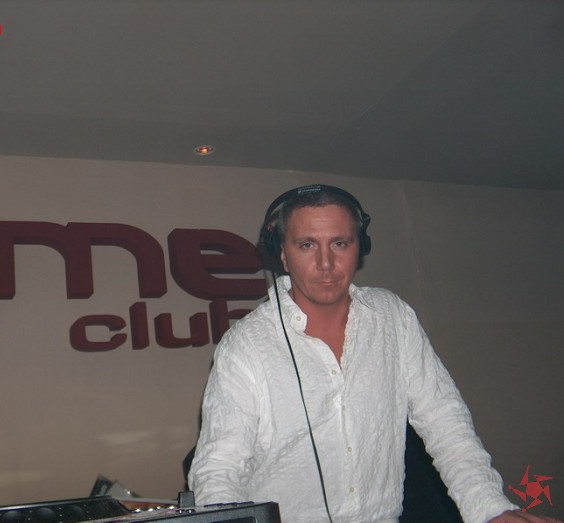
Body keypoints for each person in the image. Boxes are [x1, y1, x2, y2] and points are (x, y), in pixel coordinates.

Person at [187, 185, 560, 523]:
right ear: (282, 254)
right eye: (307, 245)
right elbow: (219, 468)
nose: (325, 263)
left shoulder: (392, 317)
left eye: (339, 243)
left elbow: (444, 420)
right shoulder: (247, 344)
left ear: (359, 248)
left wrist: (489, 509)